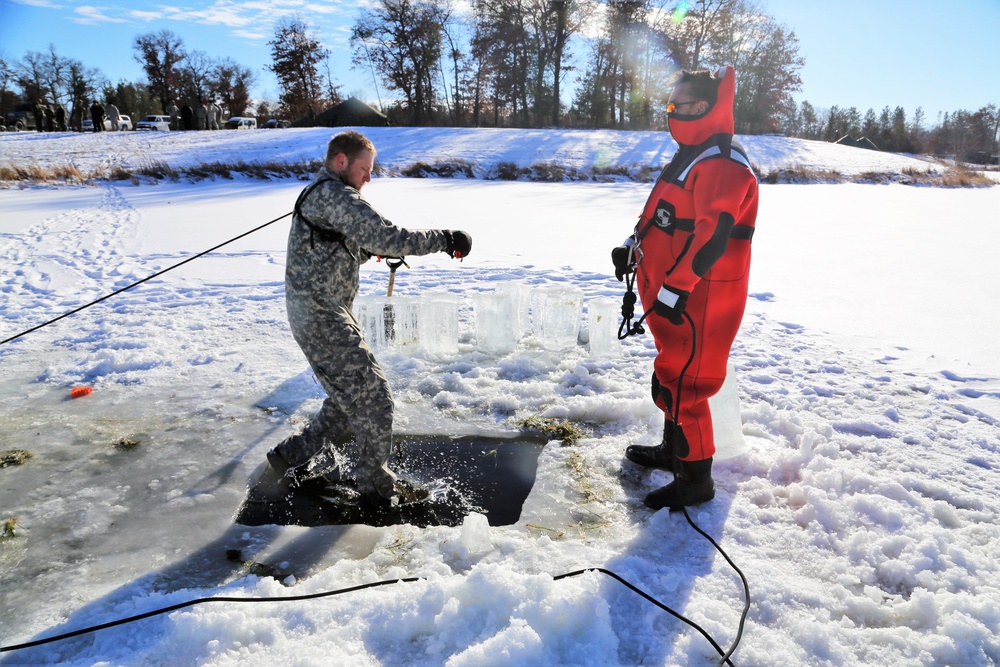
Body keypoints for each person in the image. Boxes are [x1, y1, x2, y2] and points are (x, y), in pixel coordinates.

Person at [265, 131, 473, 504]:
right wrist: (444, 239)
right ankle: (375, 488)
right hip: (321, 317)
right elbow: (386, 235)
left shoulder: (325, 194)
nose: (369, 178)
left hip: (319, 313)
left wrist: (364, 252)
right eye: (364, 169)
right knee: (375, 399)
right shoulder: (334, 194)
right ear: (341, 161)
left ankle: (290, 455)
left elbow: (343, 246)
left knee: (347, 401)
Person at [612, 65, 758, 510]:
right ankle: (674, 451)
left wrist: (676, 290)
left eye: (682, 104)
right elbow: (662, 216)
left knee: (688, 386)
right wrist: (631, 245)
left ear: (709, 106)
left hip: (701, 300)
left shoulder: (722, 163)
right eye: (670, 104)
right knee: (670, 374)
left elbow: (711, 237)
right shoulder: (691, 154)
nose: (673, 111)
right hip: (671, 296)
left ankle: (696, 482)